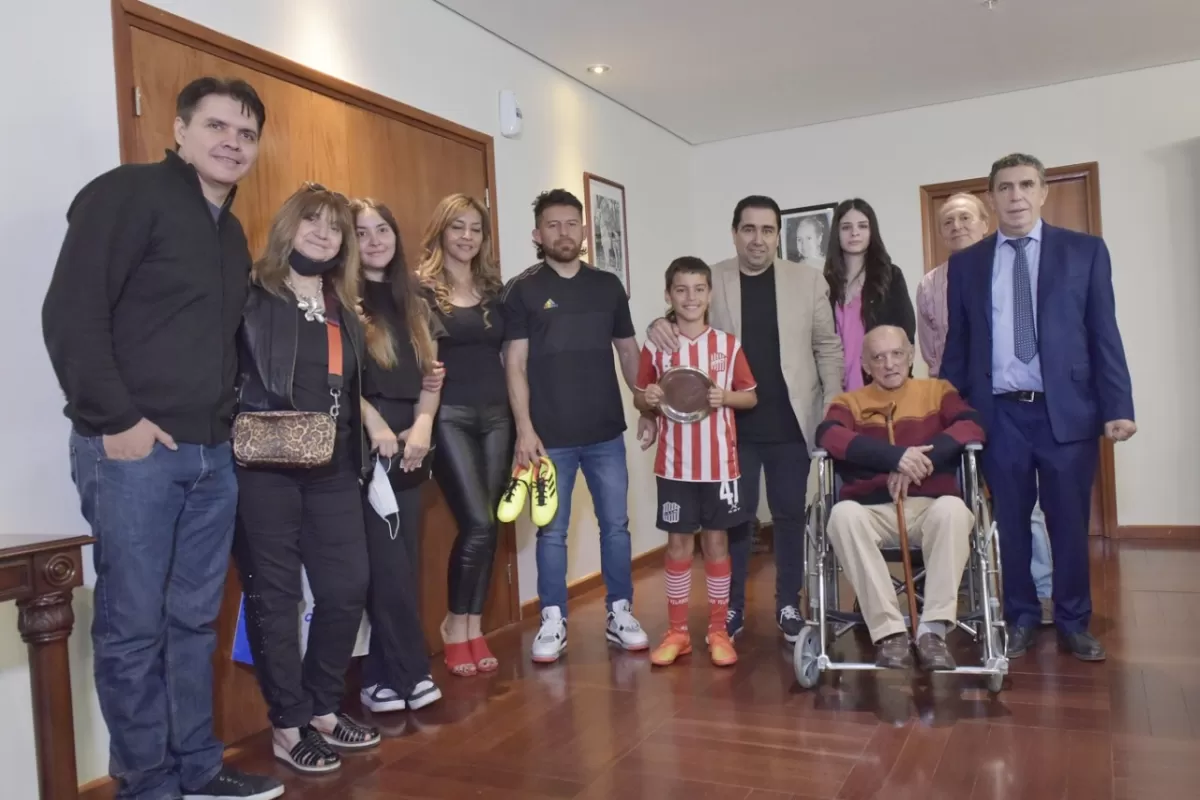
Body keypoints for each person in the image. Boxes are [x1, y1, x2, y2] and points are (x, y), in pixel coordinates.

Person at [42, 77, 283, 800]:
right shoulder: (127, 194)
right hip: (133, 454)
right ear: (178, 130)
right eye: (216, 126)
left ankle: (198, 771)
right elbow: (71, 313)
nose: (231, 143)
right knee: (132, 629)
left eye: (246, 134)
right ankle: (147, 785)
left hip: (212, 458)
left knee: (190, 625)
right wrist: (115, 420)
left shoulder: (233, 231)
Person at [941, 153, 1136, 662]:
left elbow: (1104, 334)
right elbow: (957, 348)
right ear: (992, 197)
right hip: (998, 414)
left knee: (1067, 521)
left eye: (1026, 184)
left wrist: (1118, 405)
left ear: (1043, 191)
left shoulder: (1085, 252)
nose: (1016, 196)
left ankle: (1073, 620)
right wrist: (949, 415)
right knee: (1010, 520)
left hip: (1066, 413)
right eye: (1004, 187)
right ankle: (1021, 616)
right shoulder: (967, 264)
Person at [648, 195, 843, 643]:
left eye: (768, 230)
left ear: (779, 235)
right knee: (735, 520)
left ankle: (788, 605)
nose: (758, 239)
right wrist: (657, 325)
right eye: (749, 229)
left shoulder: (808, 281)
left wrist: (832, 406)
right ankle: (730, 609)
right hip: (728, 428)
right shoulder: (710, 279)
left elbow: (827, 347)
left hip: (792, 423)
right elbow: (682, 322)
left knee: (790, 514)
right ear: (735, 232)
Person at [233, 183, 381, 773]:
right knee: (276, 597)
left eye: (335, 227)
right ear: (288, 225)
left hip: (333, 466)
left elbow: (347, 389)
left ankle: (322, 707)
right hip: (263, 467)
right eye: (312, 221)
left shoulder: (342, 306)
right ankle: (288, 724)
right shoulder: (251, 293)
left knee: (348, 586)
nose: (324, 233)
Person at [503, 188, 649, 663]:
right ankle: (552, 618)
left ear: (583, 230)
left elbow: (628, 351)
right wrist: (524, 429)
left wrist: (644, 402)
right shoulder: (522, 290)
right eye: (553, 225)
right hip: (550, 440)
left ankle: (620, 611)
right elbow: (515, 364)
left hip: (606, 432)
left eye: (571, 224)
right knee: (553, 532)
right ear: (537, 234)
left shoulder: (608, 286)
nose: (563, 233)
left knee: (616, 527)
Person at [918, 193, 1054, 626]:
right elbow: (933, 351)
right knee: (958, 496)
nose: (956, 226)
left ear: (984, 222)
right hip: (955, 407)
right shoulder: (928, 284)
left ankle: (1042, 590)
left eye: (965, 218)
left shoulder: (1002, 265)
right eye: (947, 221)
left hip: (1007, 402)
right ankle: (964, 588)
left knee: (1024, 506)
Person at [817, 325, 984, 670]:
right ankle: (890, 633)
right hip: (871, 510)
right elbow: (828, 435)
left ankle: (932, 632)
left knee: (955, 510)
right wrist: (892, 458)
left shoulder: (938, 391)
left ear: (910, 356)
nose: (889, 364)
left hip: (930, 508)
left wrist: (914, 461)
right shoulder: (849, 402)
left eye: (896, 354)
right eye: (878, 357)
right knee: (841, 515)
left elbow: (971, 426)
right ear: (865, 365)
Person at [635, 257, 757, 667]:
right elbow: (641, 395)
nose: (691, 297)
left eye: (699, 289)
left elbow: (750, 395)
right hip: (674, 465)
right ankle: (677, 632)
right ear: (668, 295)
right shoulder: (658, 344)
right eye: (681, 290)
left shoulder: (727, 344)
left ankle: (719, 630)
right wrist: (647, 400)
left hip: (720, 465)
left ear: (710, 294)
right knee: (678, 543)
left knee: (717, 543)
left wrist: (727, 398)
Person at [352, 198, 444, 713]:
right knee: (383, 563)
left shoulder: (417, 298)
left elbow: (433, 375)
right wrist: (377, 425)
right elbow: (341, 377)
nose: (374, 240)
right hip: (368, 439)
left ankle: (382, 676)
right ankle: (409, 671)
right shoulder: (339, 296)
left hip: (414, 438)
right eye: (361, 232)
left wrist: (424, 424)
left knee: (402, 560)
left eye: (382, 228)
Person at [417, 193, 513, 676]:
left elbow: (510, 359)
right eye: (458, 227)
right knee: (476, 521)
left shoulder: (494, 289)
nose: (467, 237)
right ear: (441, 231)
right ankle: (454, 624)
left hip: (498, 415)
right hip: (449, 416)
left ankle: (474, 626)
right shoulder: (420, 290)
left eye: (475, 228)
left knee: (492, 523)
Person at [825, 198, 916, 391]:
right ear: (837, 234)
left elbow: (905, 334)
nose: (854, 233)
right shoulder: (826, 284)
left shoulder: (890, 276)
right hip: (838, 389)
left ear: (871, 231)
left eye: (862, 226)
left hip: (882, 385)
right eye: (846, 227)